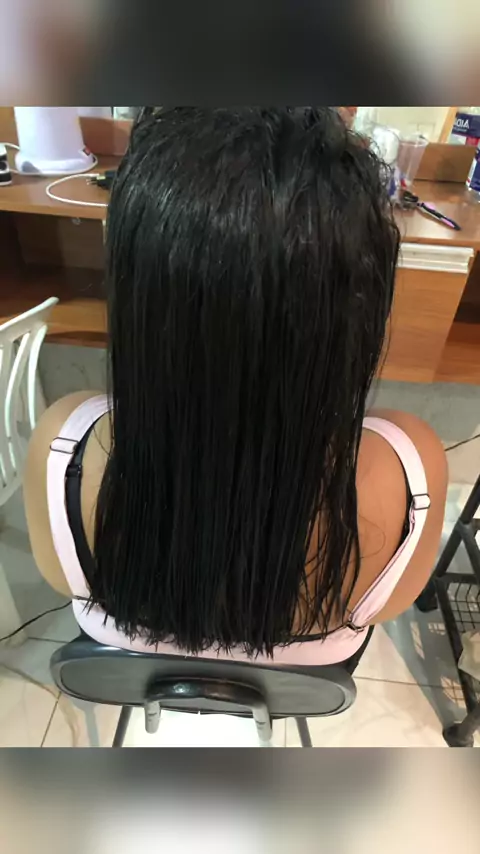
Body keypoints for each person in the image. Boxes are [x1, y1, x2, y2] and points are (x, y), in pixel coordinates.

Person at [24, 107, 447, 672]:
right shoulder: (412, 466)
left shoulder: (64, 447)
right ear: (353, 308)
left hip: (134, 670)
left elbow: (61, 576)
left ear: (139, 293)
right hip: (305, 680)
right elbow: (389, 604)